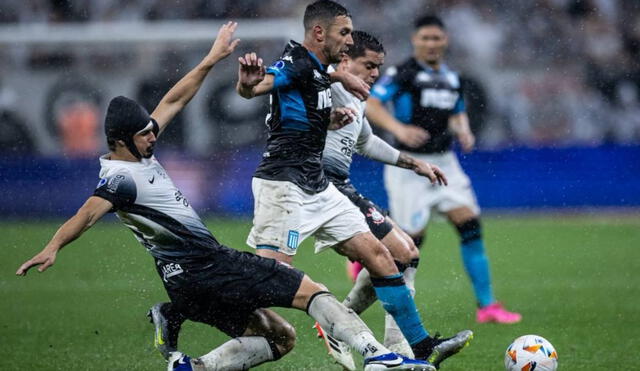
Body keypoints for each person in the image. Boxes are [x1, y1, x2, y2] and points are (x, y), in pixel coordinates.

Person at [15, 22, 434, 371]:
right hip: (210, 266)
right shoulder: (120, 179)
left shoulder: (137, 153)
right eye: (144, 134)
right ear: (119, 141)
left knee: (279, 339)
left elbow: (174, 99)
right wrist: (52, 246)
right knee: (313, 292)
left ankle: (189, 365)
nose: (152, 136)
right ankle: (380, 358)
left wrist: (211, 59)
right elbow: (87, 214)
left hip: (182, 282)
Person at [236, 0, 471, 366]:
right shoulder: (298, 62)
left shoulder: (327, 77)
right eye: (344, 33)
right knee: (268, 282)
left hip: (319, 185)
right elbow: (266, 82)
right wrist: (250, 86)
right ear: (320, 33)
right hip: (283, 185)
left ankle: (419, 348)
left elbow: (360, 138)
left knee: (385, 256)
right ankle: (192, 304)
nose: (348, 40)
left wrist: (413, 163)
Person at [313, 29, 474, 369]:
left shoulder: (356, 96)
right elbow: (295, 82)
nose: (374, 73)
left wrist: (416, 164)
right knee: (392, 255)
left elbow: (368, 142)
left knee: (407, 253)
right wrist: (330, 94)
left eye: (378, 66)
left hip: (342, 185)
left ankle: (351, 328)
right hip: (316, 185)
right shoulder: (323, 86)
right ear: (345, 61)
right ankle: (403, 347)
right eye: (368, 65)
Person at [366, 14, 522, 324]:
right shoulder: (403, 72)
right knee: (410, 244)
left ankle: (487, 306)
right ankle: (367, 253)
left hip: (445, 162)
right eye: (425, 38)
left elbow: (457, 113)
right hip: (409, 164)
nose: (431, 44)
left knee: (470, 225)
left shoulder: (453, 78)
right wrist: (399, 128)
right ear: (415, 40)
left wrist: (463, 130)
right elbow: (371, 103)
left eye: (436, 38)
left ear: (445, 41)